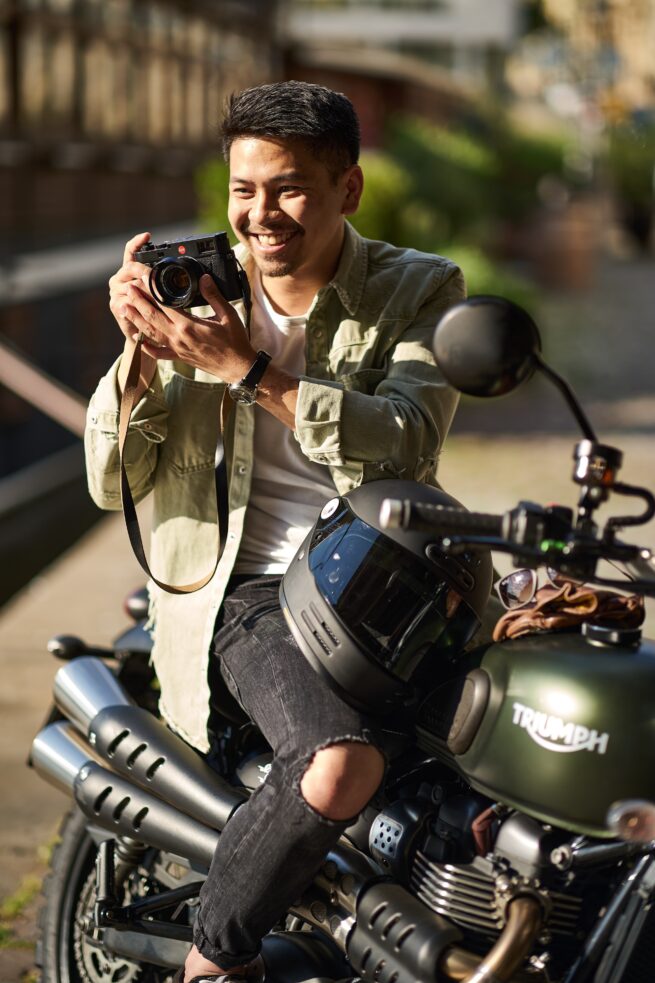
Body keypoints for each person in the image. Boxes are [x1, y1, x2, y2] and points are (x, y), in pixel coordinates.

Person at [85, 80, 466, 983]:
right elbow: (110, 482)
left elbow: (406, 440)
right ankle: (212, 963)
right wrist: (139, 359)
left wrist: (249, 369)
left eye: (290, 187)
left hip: (378, 580)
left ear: (348, 189)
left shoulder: (419, 287)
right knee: (338, 767)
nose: (263, 214)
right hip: (247, 591)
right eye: (244, 189)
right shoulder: (194, 288)